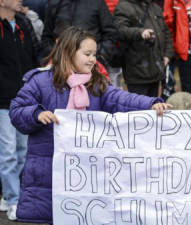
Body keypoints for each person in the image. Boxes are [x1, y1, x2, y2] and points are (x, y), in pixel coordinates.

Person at [9, 27, 171, 224]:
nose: (93, 59)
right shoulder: (40, 81)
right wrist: (36, 114)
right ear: (68, 52)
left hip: (85, 178)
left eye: (94, 54)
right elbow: (17, 110)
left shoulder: (97, 84)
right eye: (87, 54)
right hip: (45, 180)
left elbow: (122, 99)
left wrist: (151, 104)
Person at [0, 0, 38, 220]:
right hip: (3, 101)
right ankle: (14, 199)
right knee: (8, 154)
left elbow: (34, 56)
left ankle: (14, 195)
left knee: (24, 151)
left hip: (24, 100)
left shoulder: (24, 23)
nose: (20, 0)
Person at [114, 0, 174, 97]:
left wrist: (168, 54)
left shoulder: (154, 7)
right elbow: (119, 30)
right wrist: (139, 33)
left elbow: (165, 32)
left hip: (156, 69)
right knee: (139, 108)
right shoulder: (123, 7)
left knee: (153, 106)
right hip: (137, 71)